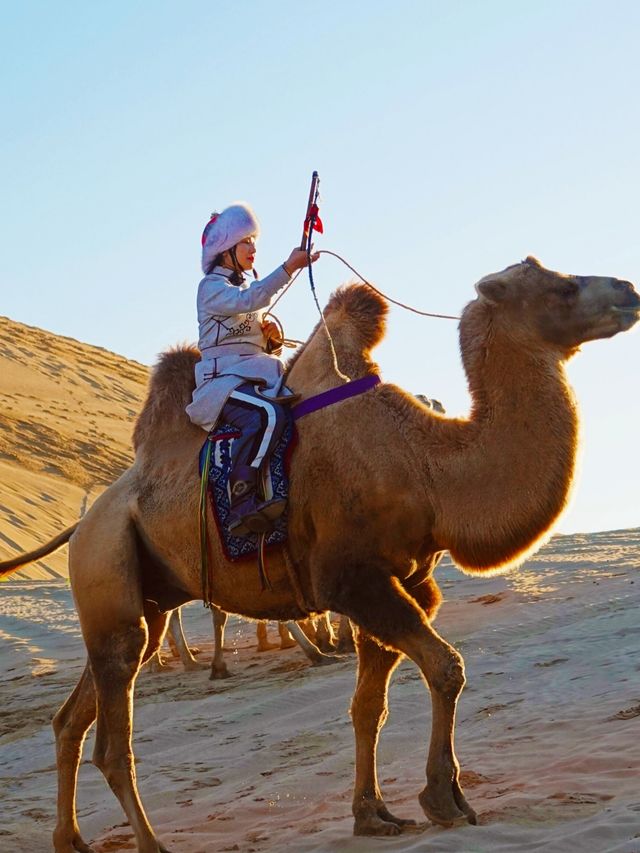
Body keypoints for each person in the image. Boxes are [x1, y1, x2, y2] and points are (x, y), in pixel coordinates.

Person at [186, 202, 318, 537]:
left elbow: (251, 325)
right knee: (267, 416)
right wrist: (289, 268)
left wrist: (270, 341)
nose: (253, 248)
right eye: (246, 242)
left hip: (254, 376)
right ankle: (241, 502)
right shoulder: (211, 289)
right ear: (225, 250)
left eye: (254, 241)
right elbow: (250, 301)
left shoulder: (243, 289)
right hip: (222, 386)